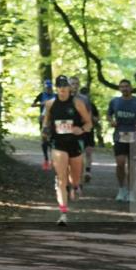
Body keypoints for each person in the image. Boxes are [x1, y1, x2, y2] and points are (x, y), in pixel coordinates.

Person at [42, 75, 93, 226]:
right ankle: (63, 214)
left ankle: (75, 186)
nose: (62, 89)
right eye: (60, 86)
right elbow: (45, 123)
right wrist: (45, 131)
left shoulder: (77, 103)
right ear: (56, 88)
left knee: (74, 179)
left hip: (75, 144)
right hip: (58, 144)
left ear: (69, 88)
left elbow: (89, 123)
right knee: (61, 179)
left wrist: (81, 129)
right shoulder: (50, 104)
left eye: (65, 86)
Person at [107, 78, 136, 202]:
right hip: (119, 136)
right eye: (122, 86)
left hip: (133, 137)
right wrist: (111, 121)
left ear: (131, 88)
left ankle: (131, 191)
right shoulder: (114, 102)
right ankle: (121, 189)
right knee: (120, 163)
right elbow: (108, 115)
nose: (124, 88)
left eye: (126, 86)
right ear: (119, 89)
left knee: (132, 166)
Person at [30, 79, 55, 170]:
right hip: (43, 119)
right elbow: (32, 105)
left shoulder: (55, 95)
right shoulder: (41, 95)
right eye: (47, 87)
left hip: (53, 120)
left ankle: (53, 160)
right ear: (44, 87)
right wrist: (43, 104)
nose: (48, 89)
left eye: (50, 87)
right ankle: (46, 160)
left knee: (53, 140)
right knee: (44, 140)